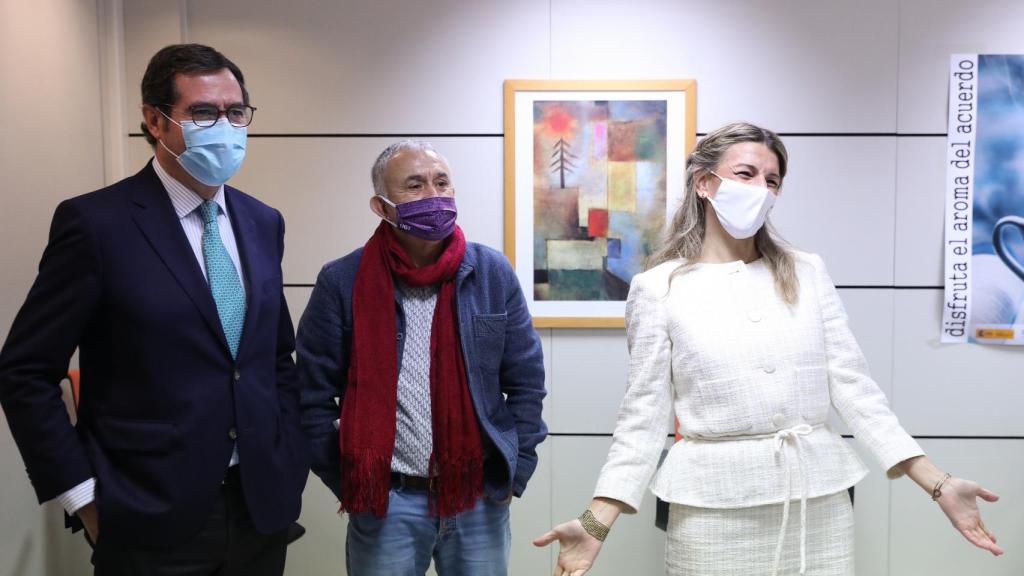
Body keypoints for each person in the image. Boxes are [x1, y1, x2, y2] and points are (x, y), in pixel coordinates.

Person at [534, 122, 1003, 576]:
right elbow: (643, 417)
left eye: (772, 180)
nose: (761, 188)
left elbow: (856, 390)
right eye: (746, 174)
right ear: (704, 183)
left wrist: (939, 484)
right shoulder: (658, 288)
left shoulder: (806, 272)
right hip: (710, 510)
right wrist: (596, 522)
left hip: (816, 503)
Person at [0, 44, 309, 575]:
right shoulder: (97, 224)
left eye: (236, 112)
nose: (225, 127)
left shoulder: (263, 222)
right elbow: (25, 372)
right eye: (203, 112)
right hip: (146, 514)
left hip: (259, 509)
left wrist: (291, 452)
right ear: (155, 120)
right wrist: (82, 498)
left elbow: (275, 356)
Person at [296, 140, 546, 576]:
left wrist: (515, 470)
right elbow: (311, 397)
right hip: (387, 503)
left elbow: (526, 382)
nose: (434, 195)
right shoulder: (342, 280)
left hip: (477, 497)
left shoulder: (492, 273)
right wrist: (352, 481)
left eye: (442, 182)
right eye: (414, 186)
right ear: (382, 207)